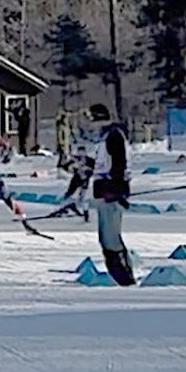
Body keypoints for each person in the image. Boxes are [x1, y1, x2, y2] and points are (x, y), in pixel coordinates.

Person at [87, 103, 135, 285]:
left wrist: (114, 190)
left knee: (111, 239)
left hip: (110, 193)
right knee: (106, 237)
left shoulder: (114, 136)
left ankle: (124, 279)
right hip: (103, 192)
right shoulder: (106, 136)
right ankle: (120, 276)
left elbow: (119, 166)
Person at [48, 143, 93, 222]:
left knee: (82, 198)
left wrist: (87, 170)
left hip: (84, 182)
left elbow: (95, 169)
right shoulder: (75, 160)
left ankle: (86, 214)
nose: (81, 154)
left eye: (83, 152)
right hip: (76, 180)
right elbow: (64, 167)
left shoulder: (90, 160)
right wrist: (70, 168)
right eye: (79, 152)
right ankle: (62, 208)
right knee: (68, 194)